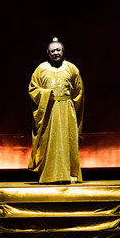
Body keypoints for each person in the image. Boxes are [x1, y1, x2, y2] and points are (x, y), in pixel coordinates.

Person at [29, 38, 84, 184]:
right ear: (48, 53)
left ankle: (70, 174)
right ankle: (48, 175)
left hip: (66, 111)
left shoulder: (72, 69)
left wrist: (73, 109)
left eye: (58, 50)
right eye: (52, 51)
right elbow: (33, 89)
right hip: (49, 111)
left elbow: (78, 92)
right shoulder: (41, 69)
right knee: (48, 141)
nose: (56, 53)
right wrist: (46, 94)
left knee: (67, 141)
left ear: (63, 51)